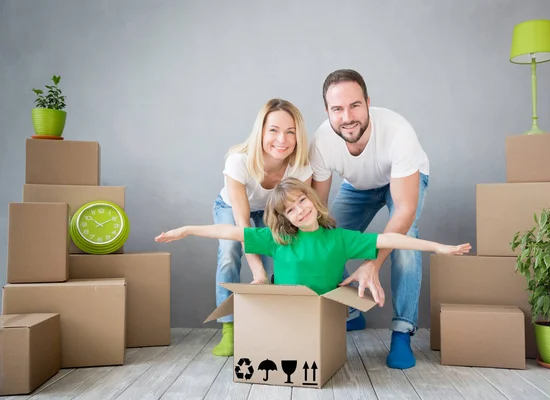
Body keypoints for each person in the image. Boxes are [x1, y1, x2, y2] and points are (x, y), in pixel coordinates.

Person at [155, 177, 470, 304]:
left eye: (301, 202)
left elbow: (393, 238)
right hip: (287, 307)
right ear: (285, 218)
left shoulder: (341, 239)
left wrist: (438, 247)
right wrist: (186, 230)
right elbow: (230, 232)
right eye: (290, 210)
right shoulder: (278, 239)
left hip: (324, 309)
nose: (299, 211)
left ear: (312, 199)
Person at [309, 69, 431, 370]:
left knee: (405, 243)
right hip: (359, 186)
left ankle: (402, 333)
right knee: (325, 239)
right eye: (337, 109)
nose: (347, 116)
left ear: (368, 103)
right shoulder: (322, 140)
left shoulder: (398, 131)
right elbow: (317, 211)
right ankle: (352, 313)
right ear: (327, 112)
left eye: (354, 105)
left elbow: (404, 209)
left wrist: (372, 264)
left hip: (402, 180)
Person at [202, 98, 313, 357]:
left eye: (290, 132)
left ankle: (276, 326)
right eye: (273, 130)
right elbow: (243, 225)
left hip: (271, 210)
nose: (281, 139)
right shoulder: (238, 161)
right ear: (261, 131)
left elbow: (300, 215)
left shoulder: (301, 166)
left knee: (285, 251)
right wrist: (258, 273)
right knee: (229, 252)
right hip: (233, 207)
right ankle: (228, 329)